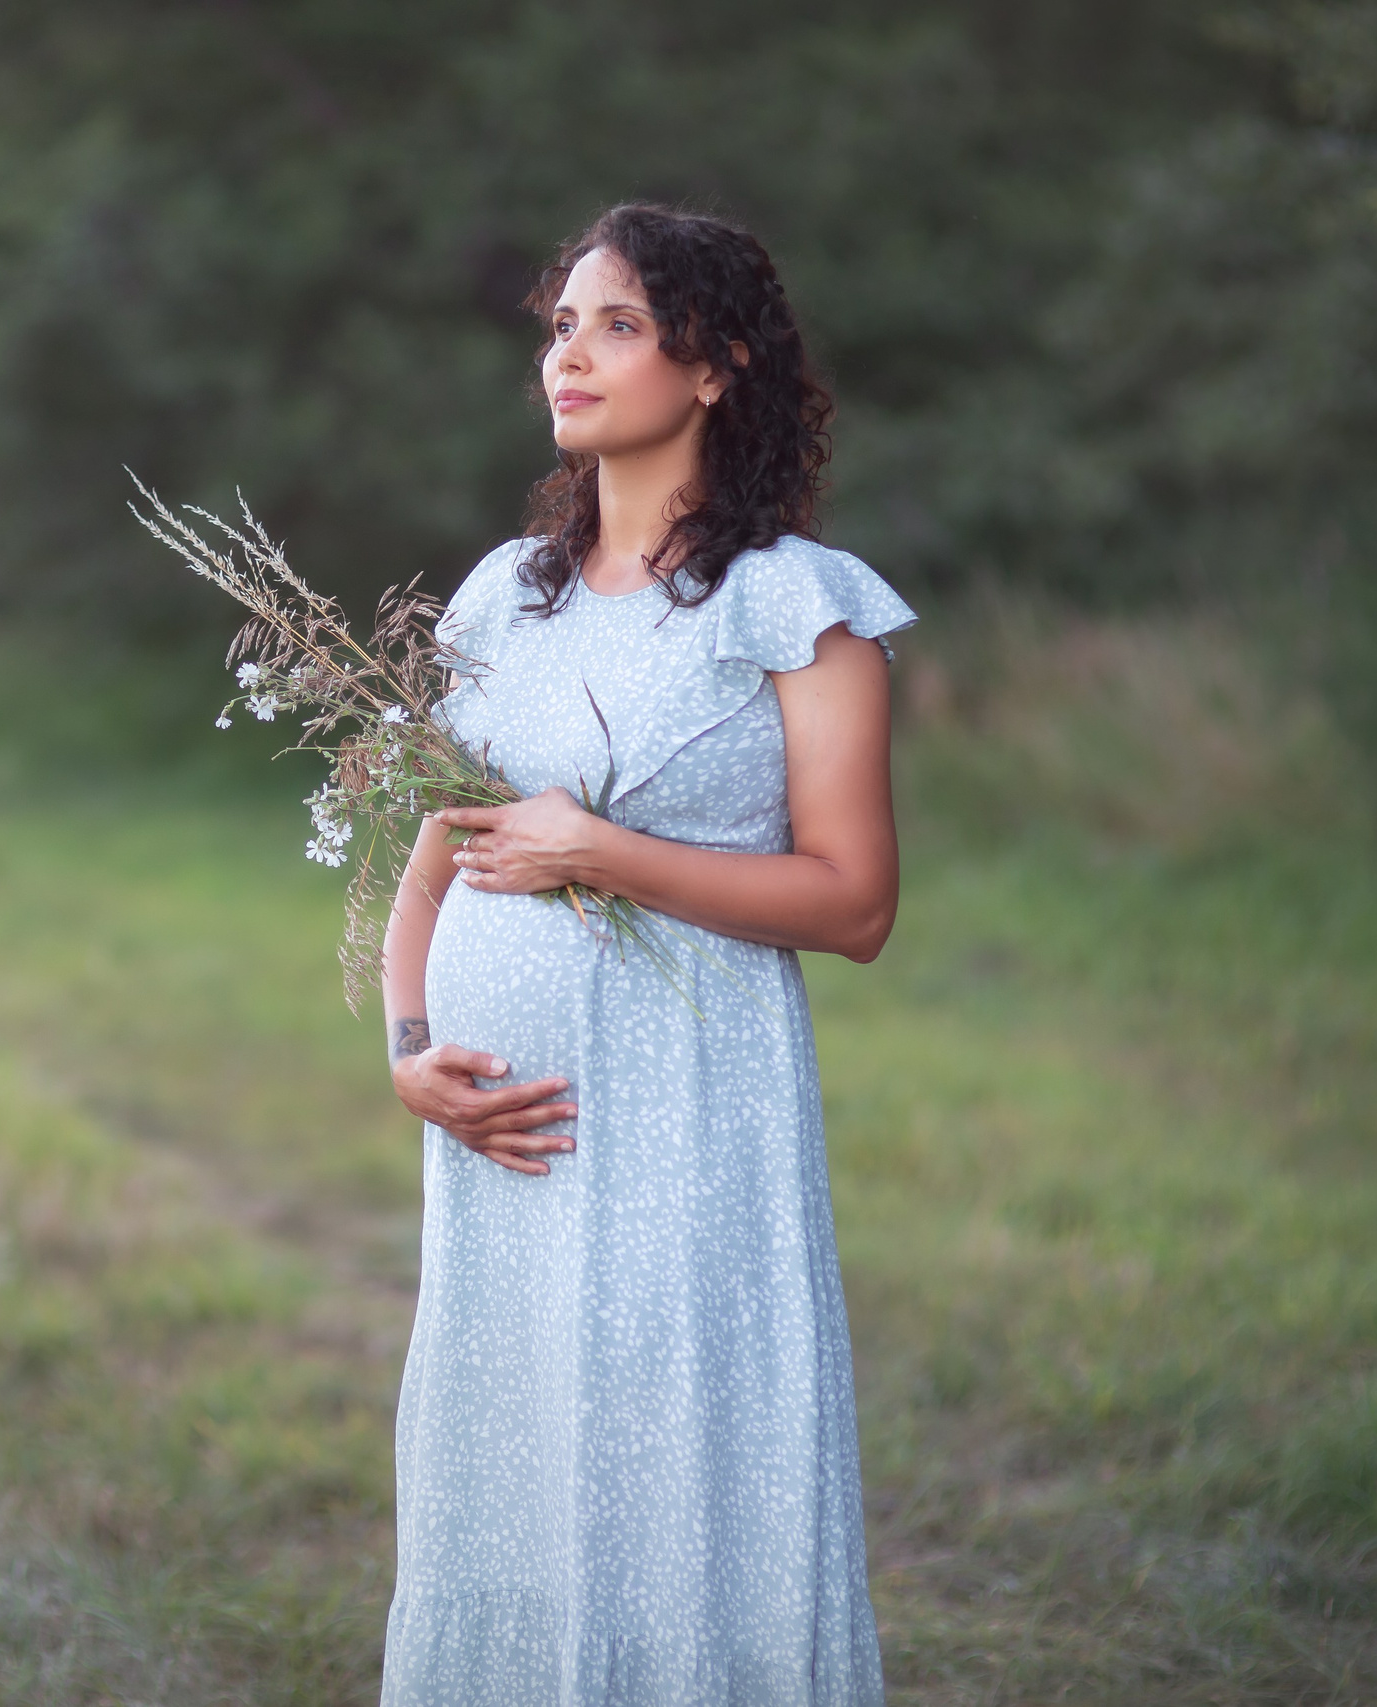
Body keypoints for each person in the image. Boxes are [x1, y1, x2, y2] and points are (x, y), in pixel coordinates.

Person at [377, 202, 911, 1706]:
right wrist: (410, 1055)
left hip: (692, 1112)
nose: (571, 352)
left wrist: (606, 856)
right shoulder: (503, 594)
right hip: (503, 1140)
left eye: (617, 324)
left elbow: (857, 902)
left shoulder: (795, 605)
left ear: (718, 364)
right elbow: (434, 847)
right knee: (518, 1452)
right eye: (562, 324)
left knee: (673, 1445)